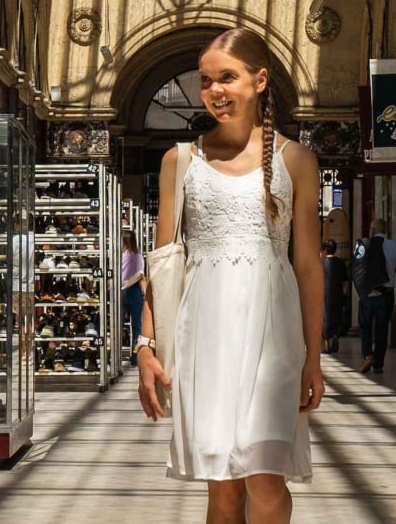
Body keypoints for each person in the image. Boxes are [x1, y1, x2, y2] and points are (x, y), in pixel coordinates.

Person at [135, 28, 324, 524]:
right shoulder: (180, 161)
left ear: (259, 81)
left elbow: (308, 266)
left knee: (266, 479)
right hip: (205, 337)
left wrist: (313, 358)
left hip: (273, 337)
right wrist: (146, 346)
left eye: (227, 77)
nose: (215, 90)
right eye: (206, 80)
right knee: (221, 488)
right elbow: (164, 263)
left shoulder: (296, 161)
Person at [354, 217, 396, 374]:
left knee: (365, 326)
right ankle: (378, 365)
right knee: (382, 329)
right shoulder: (393, 245)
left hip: (368, 294)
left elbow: (356, 266)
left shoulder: (364, 245)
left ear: (372, 230)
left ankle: (368, 355)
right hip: (386, 294)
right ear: (386, 230)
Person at [120, 230, 146, 367]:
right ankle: (135, 358)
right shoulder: (138, 256)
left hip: (121, 291)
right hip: (134, 290)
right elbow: (140, 274)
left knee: (117, 324)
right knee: (136, 326)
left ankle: (114, 356)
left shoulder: (120, 256)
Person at [321, 240, 346, 353]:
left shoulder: (321, 262)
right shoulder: (340, 263)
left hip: (323, 294)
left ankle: (326, 343)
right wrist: (344, 295)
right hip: (337, 294)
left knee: (325, 317)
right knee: (336, 315)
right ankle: (335, 335)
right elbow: (345, 282)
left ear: (325, 250)